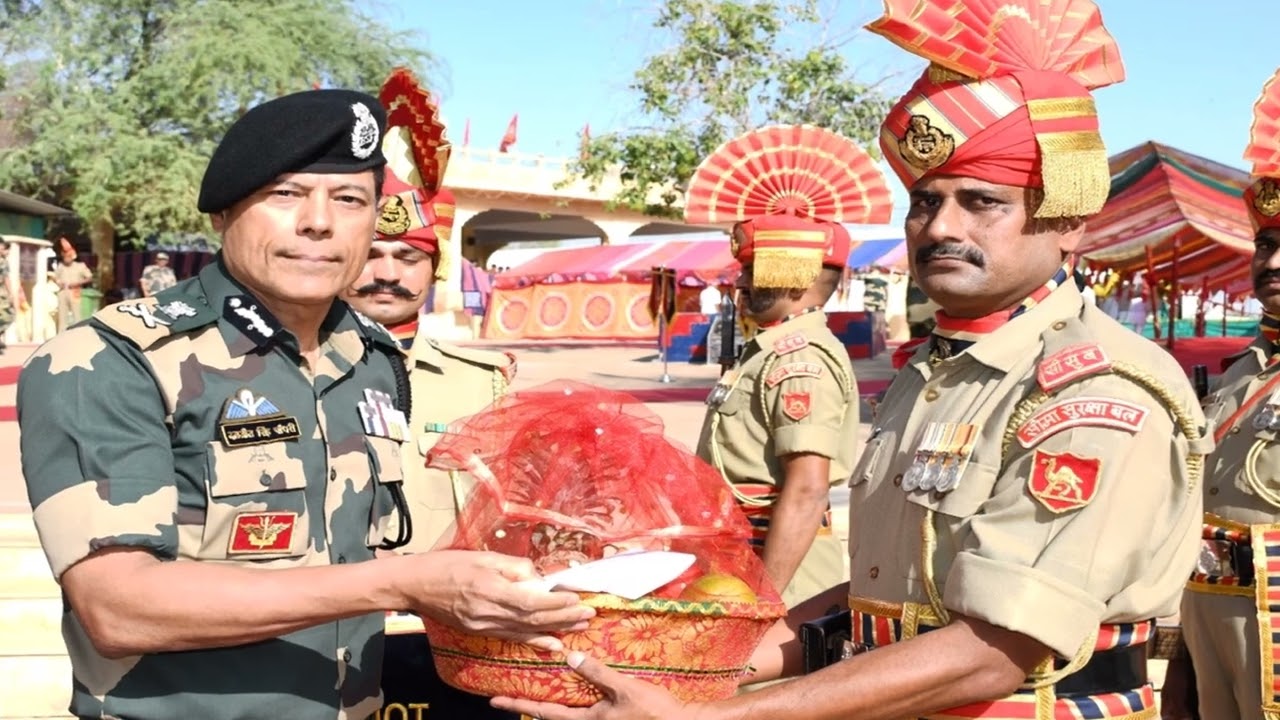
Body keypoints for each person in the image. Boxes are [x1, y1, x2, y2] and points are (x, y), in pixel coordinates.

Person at [491, 2, 1208, 719]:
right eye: (924, 202)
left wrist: (707, 716)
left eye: (981, 202)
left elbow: (996, 648)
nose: (941, 227)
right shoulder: (936, 371)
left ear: (1067, 221)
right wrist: (688, 667)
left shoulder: (1094, 388)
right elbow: (880, 597)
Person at [17, 87, 593, 720]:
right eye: (286, 194)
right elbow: (116, 607)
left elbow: (352, 549)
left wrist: (535, 561)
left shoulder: (371, 357)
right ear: (222, 215)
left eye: (349, 199)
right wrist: (403, 584)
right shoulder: (110, 359)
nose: (319, 222)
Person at [341, 66, 521, 720]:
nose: (388, 273)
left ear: (435, 267)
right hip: (329, 632)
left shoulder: (485, 380)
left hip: (452, 639)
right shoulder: (287, 370)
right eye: (373, 253)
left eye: (410, 257)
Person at [685, 124, 885, 609]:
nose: (741, 283)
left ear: (792, 276)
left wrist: (763, 601)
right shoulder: (769, 348)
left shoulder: (799, 358)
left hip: (777, 573)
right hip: (739, 555)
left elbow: (807, 490)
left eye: (753, 271)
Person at [1175, 64, 1280, 720]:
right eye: (1265, 244)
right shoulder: (1243, 369)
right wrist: (1181, 663)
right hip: (1210, 618)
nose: (1273, 262)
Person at [51, 235, 93, 331]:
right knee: (62, 317)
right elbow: (55, 277)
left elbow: (89, 277)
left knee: (77, 315)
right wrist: (58, 282)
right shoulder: (61, 266)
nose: (66, 257)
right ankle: (61, 334)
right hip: (63, 291)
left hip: (75, 291)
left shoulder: (80, 266)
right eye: (64, 255)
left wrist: (78, 282)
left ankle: (78, 334)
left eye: (68, 255)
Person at [0, 238, 25, 352]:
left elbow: (6, 278)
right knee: (8, 315)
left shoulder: (4, 261)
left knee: (8, 315)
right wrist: (10, 293)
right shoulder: (3, 262)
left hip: (1, 292)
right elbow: (6, 279)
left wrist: (10, 293)